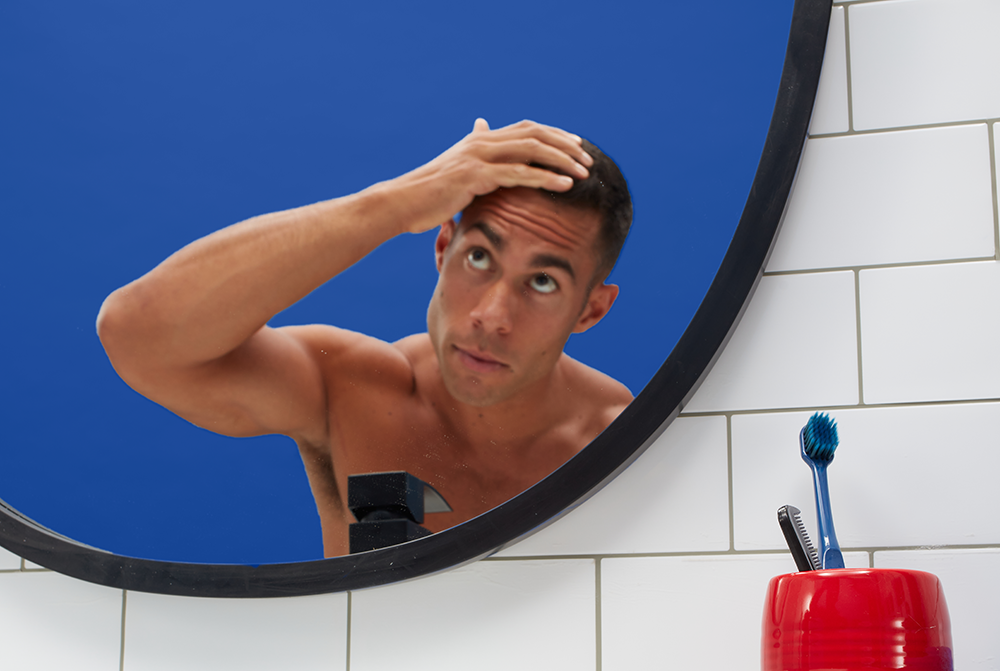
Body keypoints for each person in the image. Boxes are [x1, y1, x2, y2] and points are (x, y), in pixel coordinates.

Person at [97, 119, 633, 556]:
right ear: (442, 247)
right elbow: (136, 335)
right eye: (479, 257)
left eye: (542, 282)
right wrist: (395, 204)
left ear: (590, 310)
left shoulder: (622, 446)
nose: (492, 316)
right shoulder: (355, 391)